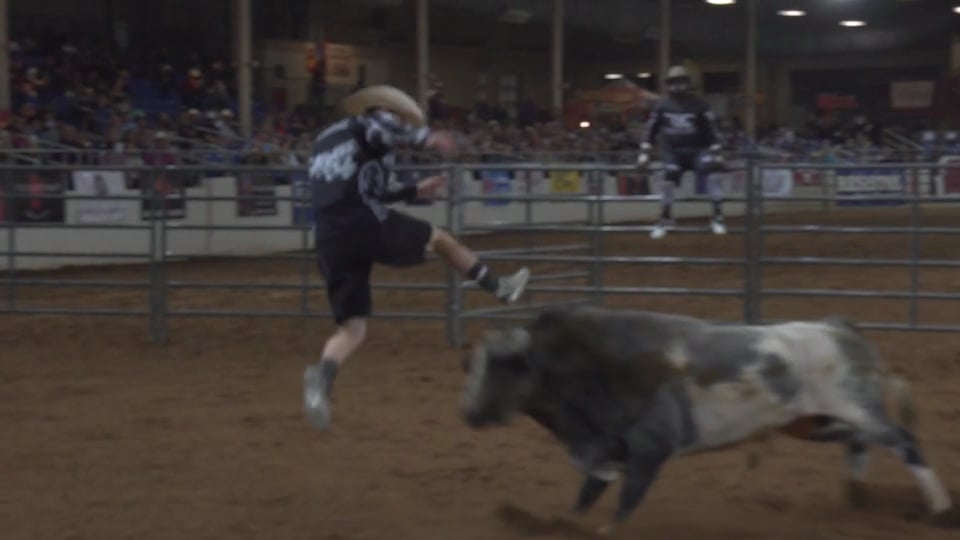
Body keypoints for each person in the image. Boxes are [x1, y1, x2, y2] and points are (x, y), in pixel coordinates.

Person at [302, 84, 531, 431]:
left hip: (329, 235)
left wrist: (413, 190)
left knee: (352, 327)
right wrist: (426, 138)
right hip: (363, 222)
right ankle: (499, 287)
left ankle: (322, 378)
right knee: (439, 238)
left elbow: (360, 186)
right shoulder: (371, 124)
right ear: (382, 109)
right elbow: (382, 132)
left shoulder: (326, 139)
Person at [637, 65, 727, 240]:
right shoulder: (662, 104)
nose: (677, 86)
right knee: (668, 177)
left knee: (713, 171)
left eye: (681, 82)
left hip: (698, 149)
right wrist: (644, 151)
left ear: (688, 83)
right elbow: (651, 129)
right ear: (668, 84)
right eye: (673, 82)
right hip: (672, 150)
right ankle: (665, 217)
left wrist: (717, 150)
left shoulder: (700, 104)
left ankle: (718, 216)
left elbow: (711, 129)